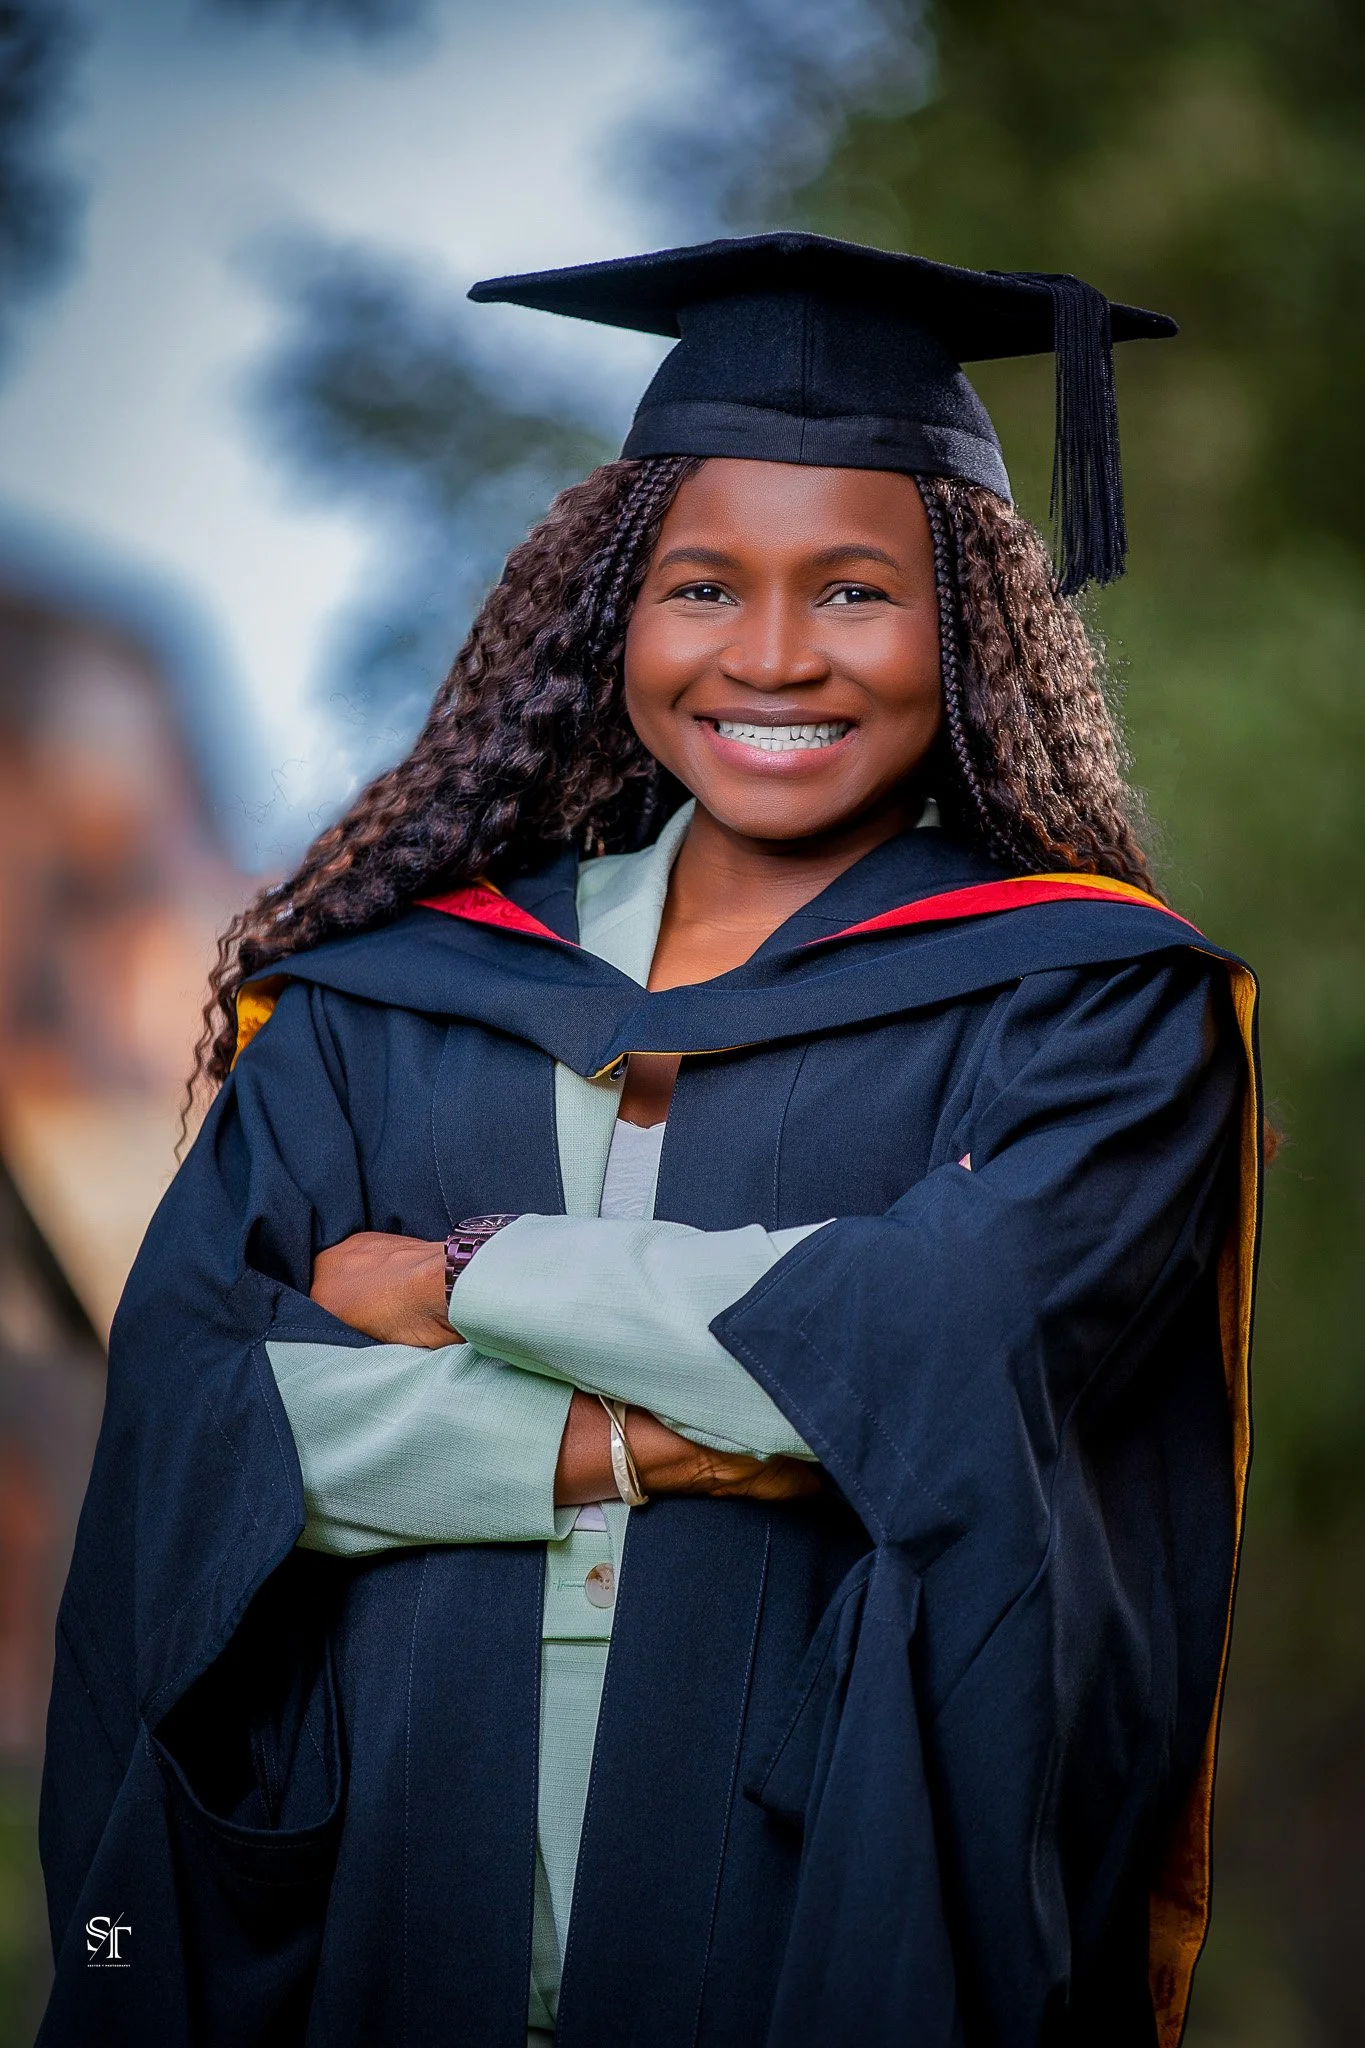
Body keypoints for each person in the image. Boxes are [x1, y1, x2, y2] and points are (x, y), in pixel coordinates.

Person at [38, 234, 1260, 2048]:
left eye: (855, 591)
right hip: (373, 1900)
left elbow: (938, 1342)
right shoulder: (387, 1005)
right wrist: (647, 1443)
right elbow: (203, 1421)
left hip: (821, 1916)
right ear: (613, 611)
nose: (771, 656)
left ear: (975, 623)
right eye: (703, 586)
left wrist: (461, 1280)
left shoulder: (1090, 1006)